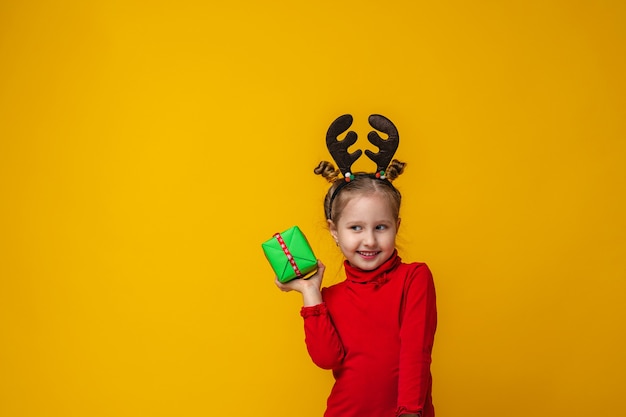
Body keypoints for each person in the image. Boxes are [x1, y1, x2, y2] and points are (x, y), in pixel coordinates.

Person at [275, 115, 437, 417]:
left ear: (396, 227)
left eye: (381, 227)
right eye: (356, 228)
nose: (370, 241)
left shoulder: (414, 278)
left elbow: (416, 351)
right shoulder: (331, 297)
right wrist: (311, 293)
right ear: (335, 231)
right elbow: (326, 359)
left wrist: (411, 413)